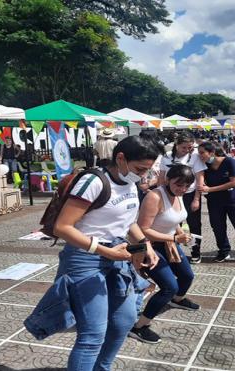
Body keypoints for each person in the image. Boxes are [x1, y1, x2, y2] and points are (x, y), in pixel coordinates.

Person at [48, 136, 161, 370]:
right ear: (120, 158)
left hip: (117, 254)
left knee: (124, 320)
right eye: (140, 168)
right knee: (93, 334)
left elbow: (127, 221)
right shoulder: (93, 182)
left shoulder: (129, 181)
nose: (143, 175)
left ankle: (102, 367)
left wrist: (144, 243)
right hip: (85, 258)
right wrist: (104, 251)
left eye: (147, 170)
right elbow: (63, 227)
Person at [130, 164, 199, 343]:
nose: (183, 189)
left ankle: (177, 299)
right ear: (168, 179)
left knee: (187, 276)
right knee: (169, 287)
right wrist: (175, 239)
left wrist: (179, 232)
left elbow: (172, 218)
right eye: (179, 184)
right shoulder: (154, 196)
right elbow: (143, 230)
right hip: (150, 247)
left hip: (169, 243)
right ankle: (139, 326)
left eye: (187, 186)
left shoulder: (178, 194)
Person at [197, 142, 235, 265]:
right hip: (215, 201)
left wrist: (210, 189)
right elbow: (201, 179)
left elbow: (234, 182)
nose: (200, 156)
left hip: (234, 200)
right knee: (218, 227)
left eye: (202, 153)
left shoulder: (229, 162)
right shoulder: (205, 165)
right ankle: (224, 251)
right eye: (198, 153)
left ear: (212, 152)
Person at [159, 132, 206, 264]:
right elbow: (162, 178)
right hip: (171, 194)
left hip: (189, 194)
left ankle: (196, 252)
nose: (187, 150)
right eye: (184, 147)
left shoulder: (195, 157)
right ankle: (173, 250)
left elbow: (200, 178)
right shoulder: (167, 157)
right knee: (171, 224)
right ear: (176, 145)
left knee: (194, 224)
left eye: (190, 147)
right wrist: (161, 196)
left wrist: (196, 199)